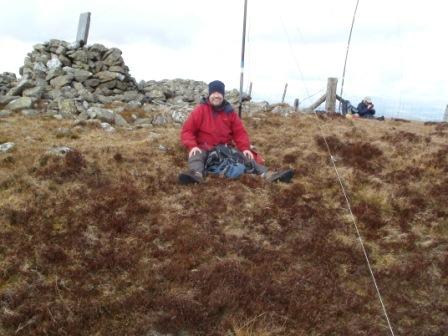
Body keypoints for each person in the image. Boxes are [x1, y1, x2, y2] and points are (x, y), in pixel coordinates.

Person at [179, 80, 294, 184]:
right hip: (205, 147)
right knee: (196, 155)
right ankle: (196, 175)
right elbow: (187, 131)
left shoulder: (230, 112)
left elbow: (240, 133)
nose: (216, 96)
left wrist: (245, 148)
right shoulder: (200, 110)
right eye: (213, 93)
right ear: (209, 94)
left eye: (219, 93)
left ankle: (268, 175)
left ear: (223, 95)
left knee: (245, 156)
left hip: (224, 148)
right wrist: (192, 145)